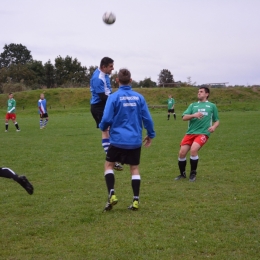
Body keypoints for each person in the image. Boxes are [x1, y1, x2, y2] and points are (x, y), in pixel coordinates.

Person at [99, 68, 156, 212]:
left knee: (109, 166)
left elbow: (106, 119)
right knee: (134, 168)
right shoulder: (139, 98)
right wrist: (150, 134)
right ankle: (136, 200)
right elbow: (147, 119)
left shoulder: (113, 97)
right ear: (131, 80)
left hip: (117, 140)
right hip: (134, 141)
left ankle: (112, 193)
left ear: (117, 80)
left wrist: (103, 127)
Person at [175, 86, 219, 182]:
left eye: (201, 92)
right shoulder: (193, 105)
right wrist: (194, 115)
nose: (199, 93)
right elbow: (184, 117)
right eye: (198, 91)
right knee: (182, 153)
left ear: (207, 94)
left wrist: (214, 127)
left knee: (194, 150)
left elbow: (217, 120)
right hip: (190, 133)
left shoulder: (212, 106)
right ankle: (182, 174)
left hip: (203, 133)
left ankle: (193, 173)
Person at [90, 57, 123, 171]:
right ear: (104, 67)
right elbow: (102, 97)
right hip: (99, 107)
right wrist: (116, 100)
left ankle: (115, 157)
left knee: (114, 129)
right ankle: (112, 159)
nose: (112, 68)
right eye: (110, 66)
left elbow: (108, 92)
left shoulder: (105, 74)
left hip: (106, 105)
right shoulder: (97, 78)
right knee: (106, 131)